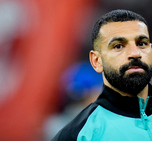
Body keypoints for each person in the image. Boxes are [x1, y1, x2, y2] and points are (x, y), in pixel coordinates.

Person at [51, 9, 152, 141]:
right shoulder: (78, 134)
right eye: (118, 46)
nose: (135, 53)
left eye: (141, 43)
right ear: (97, 61)